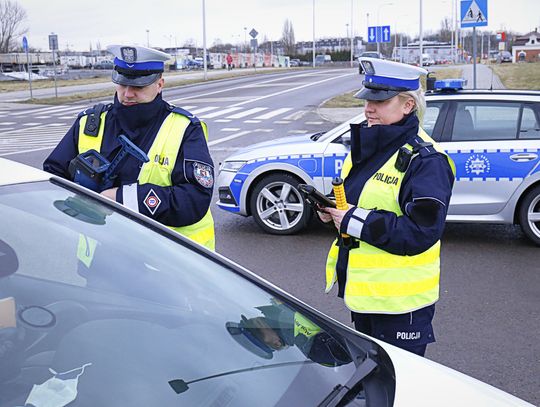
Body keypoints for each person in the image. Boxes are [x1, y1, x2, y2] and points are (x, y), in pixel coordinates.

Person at [319, 57, 455, 357]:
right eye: (367, 99)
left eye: (380, 101)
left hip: (401, 306)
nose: (368, 108)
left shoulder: (427, 161)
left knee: (399, 390)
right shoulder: (373, 145)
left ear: (408, 105)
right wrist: (332, 211)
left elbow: (419, 232)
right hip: (366, 298)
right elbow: (359, 201)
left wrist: (351, 220)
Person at [43, 45, 215, 250]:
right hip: (98, 255)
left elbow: (193, 199)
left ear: (159, 84)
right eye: (122, 84)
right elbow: (51, 178)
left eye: (138, 86)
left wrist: (119, 198)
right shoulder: (90, 123)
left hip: (162, 263)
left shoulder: (185, 128)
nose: (127, 94)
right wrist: (80, 198)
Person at [226, 299, 351, 366]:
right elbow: (357, 348)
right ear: (276, 344)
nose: (256, 320)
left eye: (250, 322)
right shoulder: (316, 351)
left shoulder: (275, 303)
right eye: (256, 330)